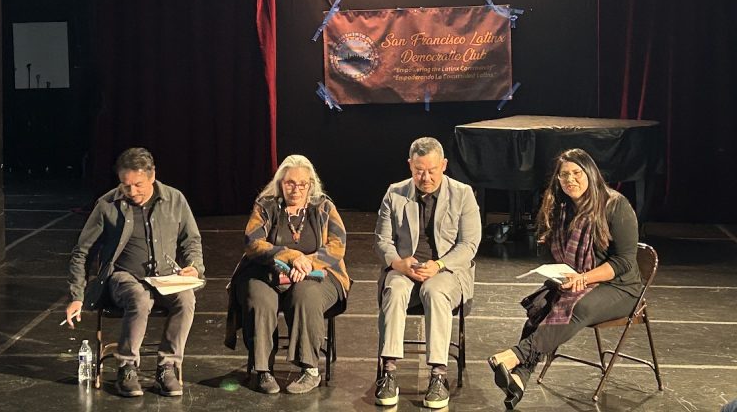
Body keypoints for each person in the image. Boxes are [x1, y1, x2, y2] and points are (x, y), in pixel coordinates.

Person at [488, 148, 642, 409]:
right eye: (564, 175)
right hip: (583, 281)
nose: (570, 180)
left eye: (576, 173)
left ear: (590, 173)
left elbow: (624, 261)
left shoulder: (616, 205)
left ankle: (517, 355)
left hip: (621, 288)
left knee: (577, 306)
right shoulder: (564, 208)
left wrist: (585, 277)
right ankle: (519, 378)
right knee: (541, 306)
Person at [65, 147, 205, 397]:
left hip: (165, 278)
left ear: (152, 176)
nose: (132, 192)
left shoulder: (175, 199)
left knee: (186, 299)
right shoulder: (108, 204)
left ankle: (168, 367)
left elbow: (191, 239)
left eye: (138, 184)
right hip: (123, 277)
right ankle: (127, 367)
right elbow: (81, 251)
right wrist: (77, 295)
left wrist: (194, 266)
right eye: (125, 185)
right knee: (139, 298)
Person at [225, 154, 350, 395]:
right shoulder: (266, 205)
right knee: (258, 296)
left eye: (302, 184)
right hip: (267, 272)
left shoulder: (323, 207)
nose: (296, 189)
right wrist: (290, 255)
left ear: (310, 185)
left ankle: (310, 370)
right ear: (280, 182)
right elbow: (253, 242)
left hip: (317, 275)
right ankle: (263, 371)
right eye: (290, 183)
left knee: (305, 295)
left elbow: (338, 244)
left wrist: (308, 262)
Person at [373, 137, 482, 409]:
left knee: (434, 290)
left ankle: (438, 375)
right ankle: (389, 372)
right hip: (406, 267)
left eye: (432, 170)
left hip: (447, 270)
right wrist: (399, 264)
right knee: (396, 288)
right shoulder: (395, 193)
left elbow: (469, 245)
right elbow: (381, 240)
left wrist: (439, 265)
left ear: (444, 165)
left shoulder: (463, 193)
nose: (426, 177)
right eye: (419, 170)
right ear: (410, 166)